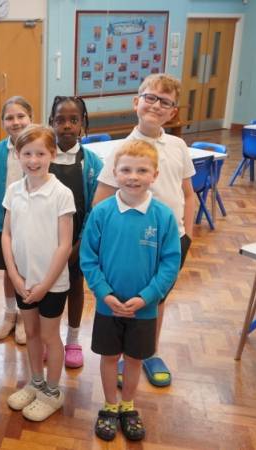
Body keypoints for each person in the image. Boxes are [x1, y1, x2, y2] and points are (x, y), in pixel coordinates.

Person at [92, 73, 196, 387]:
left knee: (156, 299)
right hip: (130, 244)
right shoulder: (120, 149)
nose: (156, 105)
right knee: (126, 297)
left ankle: (146, 352)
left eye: (165, 102)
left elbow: (188, 193)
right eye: (150, 97)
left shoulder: (178, 145)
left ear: (173, 111)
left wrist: (187, 233)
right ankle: (123, 354)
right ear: (137, 102)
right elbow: (101, 203)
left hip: (171, 239)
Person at [81, 140, 181, 441]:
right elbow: (88, 259)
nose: (133, 176)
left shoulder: (163, 216)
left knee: (134, 360)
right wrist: (104, 294)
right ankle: (110, 406)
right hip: (107, 305)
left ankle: (128, 406)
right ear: (115, 172)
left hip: (144, 308)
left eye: (142, 170)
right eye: (126, 170)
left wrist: (146, 297)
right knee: (109, 357)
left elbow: (170, 263)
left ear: (155, 175)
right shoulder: (101, 213)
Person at [3, 125, 74, 422]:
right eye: (27, 153)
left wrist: (45, 284)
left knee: (49, 336)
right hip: (24, 281)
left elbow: (65, 244)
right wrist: (16, 277)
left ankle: (53, 391)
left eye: (40, 153)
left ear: (52, 155)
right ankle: (35, 382)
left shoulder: (61, 193)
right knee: (30, 332)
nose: (34, 160)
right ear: (18, 156)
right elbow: (6, 235)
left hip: (52, 284)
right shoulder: (13, 191)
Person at [47, 96, 103, 369]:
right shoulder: (42, 156)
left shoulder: (91, 162)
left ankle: (73, 339)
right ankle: (52, 338)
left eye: (73, 120)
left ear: (82, 123)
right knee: (49, 288)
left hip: (79, 236)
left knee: (74, 286)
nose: (67, 126)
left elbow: (95, 205)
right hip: (46, 237)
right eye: (60, 120)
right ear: (51, 123)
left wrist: (80, 243)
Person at [0, 96, 32, 346]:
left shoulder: (38, 147)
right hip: (5, 220)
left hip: (32, 220)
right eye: (10, 117)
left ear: (31, 118)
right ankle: (10, 314)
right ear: (3, 121)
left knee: (27, 269)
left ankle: (25, 317)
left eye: (21, 116)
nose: (16, 122)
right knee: (8, 270)